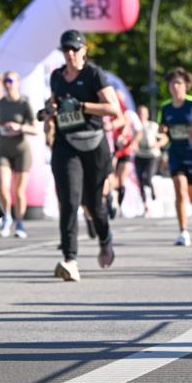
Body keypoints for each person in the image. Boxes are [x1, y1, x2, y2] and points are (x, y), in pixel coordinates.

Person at [47, 29, 120, 280]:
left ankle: (105, 238)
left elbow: (114, 109)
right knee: (69, 199)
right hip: (67, 143)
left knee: (95, 204)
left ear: (84, 51)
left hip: (94, 144)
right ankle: (70, 259)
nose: (70, 54)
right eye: (66, 50)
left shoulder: (94, 75)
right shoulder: (57, 76)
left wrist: (83, 107)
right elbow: (54, 103)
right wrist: (48, 111)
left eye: (74, 49)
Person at [158, 68, 192, 246]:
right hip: (176, 154)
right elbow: (163, 131)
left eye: (178, 83)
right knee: (180, 191)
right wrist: (160, 139)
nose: (175, 86)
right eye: (172, 83)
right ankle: (183, 231)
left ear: (186, 86)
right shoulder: (165, 107)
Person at [0, 71, 38, 238]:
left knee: (18, 190)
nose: (7, 84)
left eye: (11, 80)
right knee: (3, 187)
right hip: (3, 148)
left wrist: (19, 127)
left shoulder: (24, 103)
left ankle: (20, 222)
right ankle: (7, 217)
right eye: (5, 81)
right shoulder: (0, 103)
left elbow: (35, 129)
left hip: (21, 149)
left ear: (18, 82)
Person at [133, 104, 164, 214]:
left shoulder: (153, 126)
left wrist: (157, 144)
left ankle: (153, 193)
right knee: (140, 179)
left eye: (143, 114)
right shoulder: (134, 126)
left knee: (148, 176)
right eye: (139, 113)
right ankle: (144, 202)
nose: (141, 116)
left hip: (152, 155)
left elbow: (164, 138)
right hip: (140, 154)